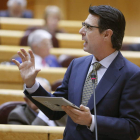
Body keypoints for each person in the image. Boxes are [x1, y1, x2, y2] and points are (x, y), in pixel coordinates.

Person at [12, 5, 140, 140]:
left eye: (88, 27)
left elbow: (132, 128)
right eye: (83, 25)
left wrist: (92, 121)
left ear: (107, 34)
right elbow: (55, 110)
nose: (81, 31)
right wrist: (31, 84)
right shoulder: (77, 65)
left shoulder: (132, 74)